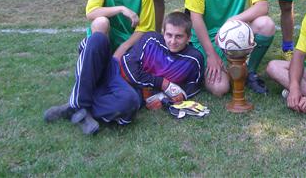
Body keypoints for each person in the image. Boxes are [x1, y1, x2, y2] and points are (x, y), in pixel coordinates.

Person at [44, 11, 204, 135]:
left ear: (189, 37)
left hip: (131, 92)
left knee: (129, 102)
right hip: (113, 71)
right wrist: (162, 83)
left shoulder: (194, 59)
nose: (172, 41)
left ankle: (77, 108)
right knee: (97, 40)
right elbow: (129, 67)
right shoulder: (151, 39)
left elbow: (191, 88)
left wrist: (163, 98)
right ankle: (79, 104)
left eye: (179, 37)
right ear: (163, 32)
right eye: (169, 35)